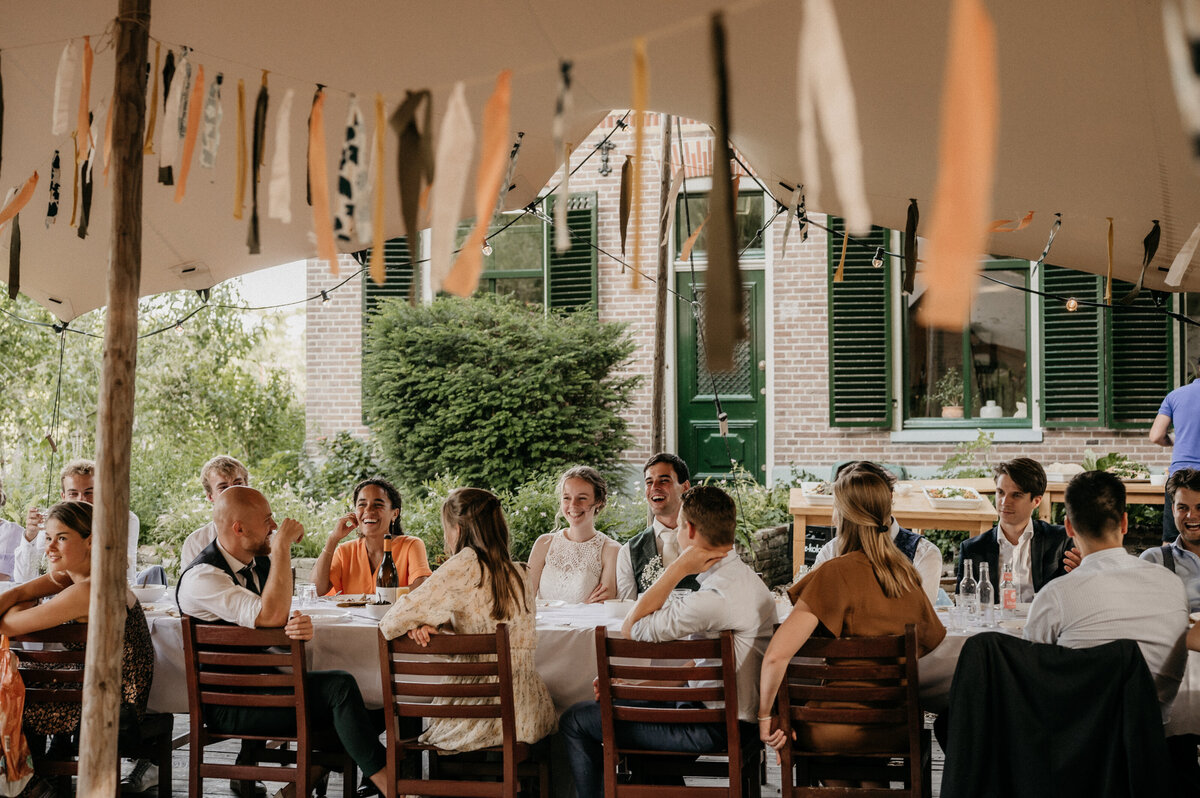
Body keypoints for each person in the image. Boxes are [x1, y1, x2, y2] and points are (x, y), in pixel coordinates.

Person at [560, 485, 776, 798]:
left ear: (688, 528)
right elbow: (705, 666)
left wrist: (676, 569)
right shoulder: (746, 580)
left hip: (713, 726)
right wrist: (637, 685)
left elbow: (632, 627)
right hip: (725, 714)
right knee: (623, 709)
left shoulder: (713, 600)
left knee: (576, 719)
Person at [176, 486, 389, 797]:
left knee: (376, 701)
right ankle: (392, 788)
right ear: (239, 528)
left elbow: (274, 619)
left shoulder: (256, 565)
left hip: (267, 687)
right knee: (341, 688)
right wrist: (282, 548)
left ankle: (296, 789)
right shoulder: (203, 577)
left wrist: (294, 625)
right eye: (268, 520)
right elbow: (270, 614)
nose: (274, 527)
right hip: (231, 702)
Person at [760, 470, 944, 762]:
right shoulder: (908, 574)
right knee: (859, 772)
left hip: (836, 723)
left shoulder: (834, 572)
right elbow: (930, 642)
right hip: (895, 725)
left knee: (789, 732)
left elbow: (775, 657)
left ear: (843, 516)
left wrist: (765, 717)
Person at [378, 487, 556, 753]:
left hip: (476, 715)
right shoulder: (520, 573)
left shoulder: (465, 563)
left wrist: (421, 621)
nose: (445, 537)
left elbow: (391, 622)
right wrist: (439, 622)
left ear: (458, 530)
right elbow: (482, 617)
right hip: (527, 714)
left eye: (446, 529)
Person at [0, 502, 153, 795]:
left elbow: (8, 625)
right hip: (93, 691)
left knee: (8, 695)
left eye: (61, 538)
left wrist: (17, 606)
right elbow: (18, 591)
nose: (50, 548)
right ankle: (26, 781)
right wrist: (19, 601)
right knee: (9, 689)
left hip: (114, 706)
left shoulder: (89, 589)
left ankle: (26, 783)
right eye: (48, 538)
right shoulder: (78, 575)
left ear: (91, 541)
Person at [1023, 471, 1188, 717]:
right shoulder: (1172, 583)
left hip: (1077, 743)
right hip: (1154, 741)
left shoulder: (1055, 595)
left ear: (1068, 526)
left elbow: (1030, 676)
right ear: (1124, 522)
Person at [808, 461, 944, 602]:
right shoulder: (830, 552)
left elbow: (919, 620)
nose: (835, 518)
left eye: (840, 509)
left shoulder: (923, 555)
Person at [956, 458, 1072, 602]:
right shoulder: (972, 549)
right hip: (995, 623)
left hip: (1044, 622)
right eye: (1000, 492)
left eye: (1016, 495)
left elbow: (1069, 597)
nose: (1004, 502)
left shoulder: (1060, 540)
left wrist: (1082, 573)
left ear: (1036, 501)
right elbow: (964, 604)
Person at [14, 459, 140, 583]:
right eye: (73, 494)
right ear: (63, 497)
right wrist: (30, 536)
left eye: (89, 493)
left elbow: (126, 575)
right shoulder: (55, 521)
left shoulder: (124, 520)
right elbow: (23, 578)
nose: (81, 500)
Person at [311, 478, 431, 596]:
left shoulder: (411, 545)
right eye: (362, 504)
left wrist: (379, 599)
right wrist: (333, 539)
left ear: (394, 514)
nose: (368, 510)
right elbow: (316, 590)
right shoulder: (345, 551)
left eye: (378, 505)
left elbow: (421, 587)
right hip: (353, 616)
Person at [527, 466, 620, 603]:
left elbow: (601, 608)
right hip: (541, 625)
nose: (573, 505)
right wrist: (584, 606)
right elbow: (523, 601)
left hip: (588, 625)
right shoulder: (544, 544)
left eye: (582, 498)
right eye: (566, 498)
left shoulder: (612, 550)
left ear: (598, 501)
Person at [615, 453, 698, 599]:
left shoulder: (709, 541)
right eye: (649, 482)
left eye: (664, 480)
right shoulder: (629, 551)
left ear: (685, 487)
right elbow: (627, 610)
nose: (654, 487)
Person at [1140, 467, 1200, 612]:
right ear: (1173, 510)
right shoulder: (1153, 560)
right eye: (1182, 508)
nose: (1191, 515)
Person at [180, 455, 251, 568]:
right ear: (210, 497)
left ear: (247, 486)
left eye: (238, 484)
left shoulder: (270, 538)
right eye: (223, 487)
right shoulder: (196, 544)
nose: (233, 491)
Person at [1151, 379, 1200, 542]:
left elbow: (1156, 435)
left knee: (1171, 541)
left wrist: (1173, 441)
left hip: (1180, 477)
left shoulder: (1174, 396)